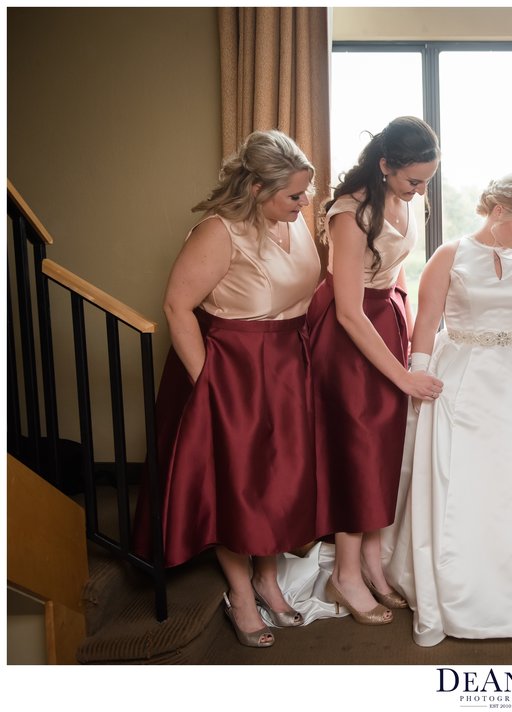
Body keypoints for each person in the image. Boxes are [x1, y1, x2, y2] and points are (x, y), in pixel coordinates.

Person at [137, 129, 322, 648]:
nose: (304, 202)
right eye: (294, 195)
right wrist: (209, 388)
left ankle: (269, 580)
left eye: (304, 192)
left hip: (287, 363)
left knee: (278, 479)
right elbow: (178, 307)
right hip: (234, 367)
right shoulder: (218, 231)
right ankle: (240, 592)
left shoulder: (293, 219)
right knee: (238, 483)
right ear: (258, 190)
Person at [384, 174, 512, 647]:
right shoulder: (449, 256)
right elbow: (428, 321)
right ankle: (462, 585)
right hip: (465, 375)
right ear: (495, 210)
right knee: (467, 480)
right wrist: (420, 373)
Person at [308, 116, 443, 626]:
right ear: (385, 165)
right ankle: (344, 575)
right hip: (347, 336)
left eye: (427, 180)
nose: (421, 190)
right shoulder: (350, 213)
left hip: (384, 320)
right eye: (413, 180)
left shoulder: (406, 198)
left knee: (385, 449)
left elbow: (396, 268)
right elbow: (346, 309)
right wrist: (404, 376)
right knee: (357, 450)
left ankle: (371, 562)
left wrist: (408, 337)